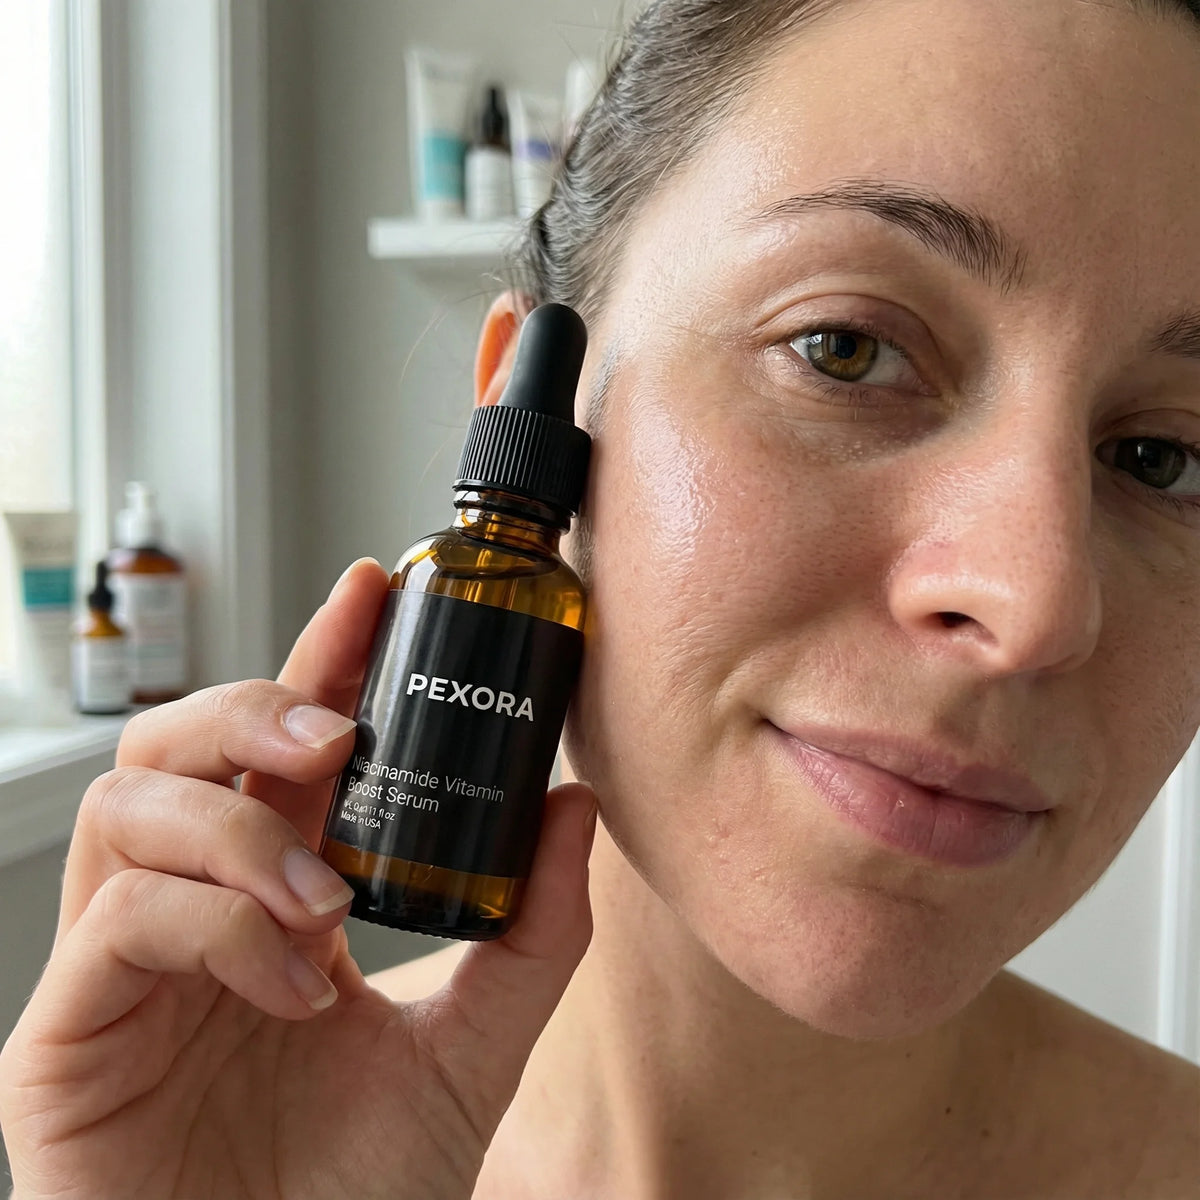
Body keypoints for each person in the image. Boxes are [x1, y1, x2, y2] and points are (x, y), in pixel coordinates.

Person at [4, 0, 1200, 1195]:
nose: (1038, 601)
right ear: (539, 425)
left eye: (1165, 460)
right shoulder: (223, 1135)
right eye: (844, 348)